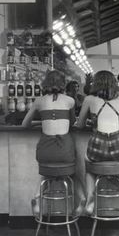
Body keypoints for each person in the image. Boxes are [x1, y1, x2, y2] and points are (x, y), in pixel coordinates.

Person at [22, 70, 86, 217]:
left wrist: (41, 123)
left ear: (45, 83)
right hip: (64, 149)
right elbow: (72, 123)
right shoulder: (70, 101)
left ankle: (36, 197)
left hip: (45, 150)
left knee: (47, 172)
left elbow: (24, 124)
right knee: (72, 172)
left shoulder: (39, 101)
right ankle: (82, 198)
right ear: (63, 84)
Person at [76, 70, 119, 214]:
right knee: (117, 164)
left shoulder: (89, 99)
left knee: (89, 165)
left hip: (97, 147)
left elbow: (80, 125)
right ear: (114, 83)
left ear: (96, 83)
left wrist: (92, 122)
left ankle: (90, 199)